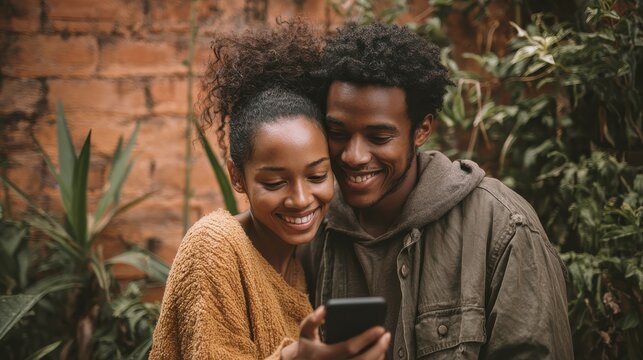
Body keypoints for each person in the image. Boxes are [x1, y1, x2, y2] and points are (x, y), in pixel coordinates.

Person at [300, 22, 574, 359]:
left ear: (421, 130)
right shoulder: (312, 228)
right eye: (337, 132)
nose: (353, 156)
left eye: (379, 137)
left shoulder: (503, 227)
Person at [150, 20, 390, 360]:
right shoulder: (215, 245)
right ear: (236, 176)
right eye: (275, 182)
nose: (301, 199)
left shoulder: (302, 265)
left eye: (317, 176)